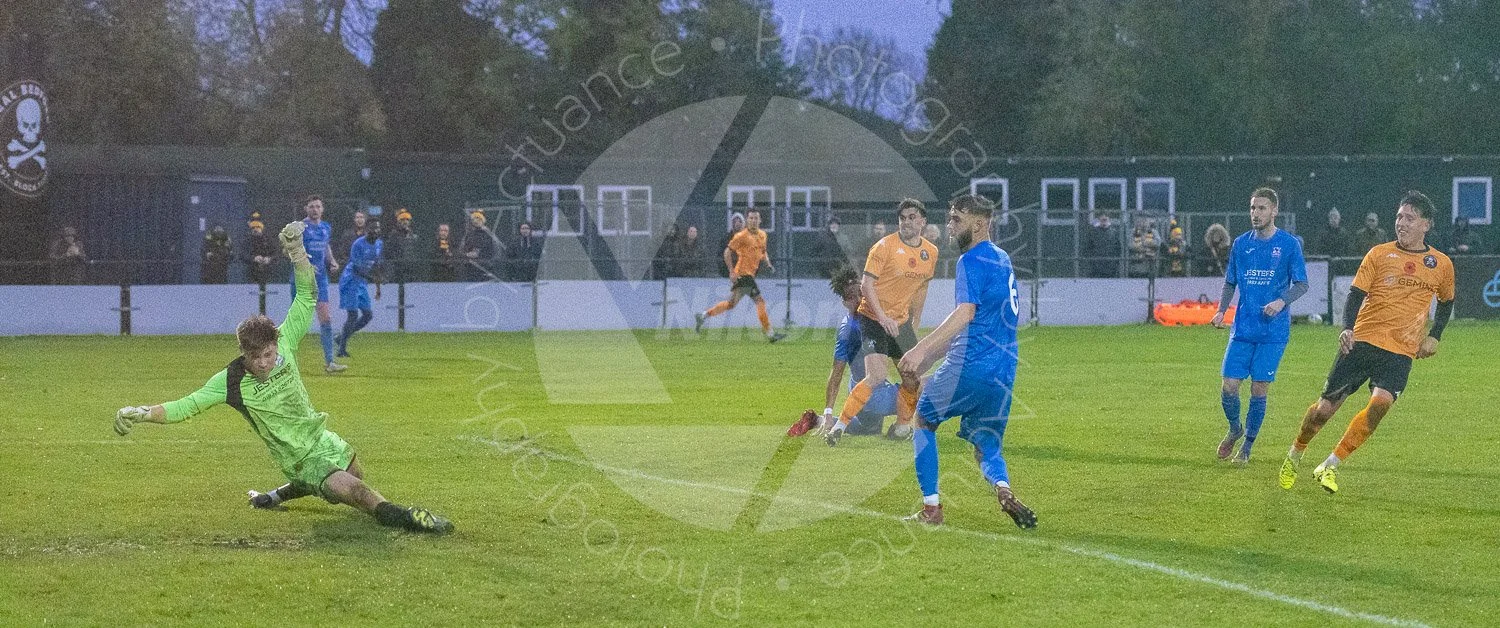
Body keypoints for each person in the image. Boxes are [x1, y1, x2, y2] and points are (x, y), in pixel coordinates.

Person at [110, 220, 452, 534]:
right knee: (359, 493)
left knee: (355, 476)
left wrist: (297, 253)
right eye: (255, 358)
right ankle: (410, 519)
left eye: (269, 355)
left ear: (276, 344)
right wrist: (140, 412)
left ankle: (272, 497)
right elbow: (186, 406)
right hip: (299, 458)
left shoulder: (286, 339)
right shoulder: (230, 381)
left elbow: (307, 294)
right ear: (243, 353)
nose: (263, 363)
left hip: (321, 436)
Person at [1278, 191, 1455, 494]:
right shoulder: (1378, 253)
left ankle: (1329, 466)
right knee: (1323, 411)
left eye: (1409, 218)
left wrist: (1434, 336)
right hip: (1362, 342)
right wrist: (1347, 329)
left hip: (1401, 350)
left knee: (1380, 405)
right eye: (1399, 216)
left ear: (1426, 224)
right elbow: (1356, 295)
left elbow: (1447, 301)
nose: (1401, 222)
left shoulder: (1440, 264)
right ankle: (1296, 453)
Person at [897, 194, 1035, 529]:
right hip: (1004, 369)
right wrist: (931, 354)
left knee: (923, 420)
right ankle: (1003, 488)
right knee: (986, 446)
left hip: (971, 364)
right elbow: (982, 321)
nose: (949, 225)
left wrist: (918, 351)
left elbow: (965, 314)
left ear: (978, 222)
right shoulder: (1002, 259)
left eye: (956, 219)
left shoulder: (970, 260)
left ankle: (932, 510)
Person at [825, 198, 938, 446]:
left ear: (922, 221)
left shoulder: (930, 252)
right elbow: (866, 285)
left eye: (912, 217)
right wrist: (883, 316)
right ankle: (838, 428)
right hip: (873, 318)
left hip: (900, 322)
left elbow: (921, 290)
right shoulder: (884, 247)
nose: (906, 222)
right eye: (902, 218)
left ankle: (901, 427)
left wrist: (913, 323)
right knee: (875, 376)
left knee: (912, 378)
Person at [1209, 188, 1309, 465]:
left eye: (1262, 208)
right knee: (1229, 386)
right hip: (1242, 329)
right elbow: (1231, 281)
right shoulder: (1241, 244)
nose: (1255, 214)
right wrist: (1221, 310)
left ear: (1274, 211)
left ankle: (1247, 447)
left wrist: (1281, 301)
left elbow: (1302, 283)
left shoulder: (1288, 245)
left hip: (1273, 333)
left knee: (1258, 389)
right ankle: (1234, 429)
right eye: (1253, 208)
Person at [788, 265, 900, 437]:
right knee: (921, 388)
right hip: (873, 394)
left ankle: (816, 420)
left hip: (857, 390)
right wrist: (828, 409)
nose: (858, 300)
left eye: (860, 294)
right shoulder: (850, 329)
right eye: (851, 297)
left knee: (869, 430)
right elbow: (837, 371)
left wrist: (825, 415)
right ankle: (905, 428)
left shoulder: (871, 317)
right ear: (844, 302)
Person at [694, 209, 786, 342]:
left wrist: (768, 263)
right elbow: (727, 252)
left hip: (749, 276)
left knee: (731, 304)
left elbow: (763, 251)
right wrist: (731, 271)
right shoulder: (741, 236)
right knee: (760, 301)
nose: (754, 221)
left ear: (760, 220)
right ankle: (770, 334)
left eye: (756, 218)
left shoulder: (763, 235)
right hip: (743, 274)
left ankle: (703, 315)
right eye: (751, 218)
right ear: (747, 221)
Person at [291, 196, 346, 374]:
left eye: (318, 206)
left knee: (326, 318)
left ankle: (330, 362)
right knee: (298, 323)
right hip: (302, 280)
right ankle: (285, 361)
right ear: (306, 209)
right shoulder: (300, 228)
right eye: (312, 206)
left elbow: (325, 246)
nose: (315, 209)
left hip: (320, 279)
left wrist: (332, 261)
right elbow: (290, 250)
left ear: (322, 209)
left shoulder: (325, 227)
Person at [335, 220, 382, 358]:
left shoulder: (379, 244)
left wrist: (378, 287)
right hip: (350, 280)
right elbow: (355, 267)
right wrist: (371, 279)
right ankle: (341, 350)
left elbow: (376, 265)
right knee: (353, 315)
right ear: (367, 230)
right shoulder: (358, 244)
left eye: (378, 228)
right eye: (373, 228)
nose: (376, 231)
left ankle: (341, 337)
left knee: (368, 315)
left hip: (361, 282)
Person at [382, 208, 419, 283]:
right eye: (402, 220)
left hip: (411, 271)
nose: (405, 222)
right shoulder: (393, 236)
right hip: (397, 271)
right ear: (398, 222)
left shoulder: (414, 237)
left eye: (407, 220)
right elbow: (389, 254)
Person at [459, 211, 497, 282]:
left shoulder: (489, 235)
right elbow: (461, 250)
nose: (476, 221)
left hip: (485, 268)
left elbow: (495, 252)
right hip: (470, 269)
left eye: (478, 218)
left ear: (483, 221)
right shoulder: (468, 235)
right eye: (474, 219)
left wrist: (480, 255)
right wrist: (467, 254)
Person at [244, 214, 279, 286]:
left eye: (257, 227)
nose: (255, 229)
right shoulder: (247, 240)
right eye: (253, 228)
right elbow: (242, 255)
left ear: (261, 228)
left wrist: (269, 259)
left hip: (269, 272)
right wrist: (254, 258)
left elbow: (276, 253)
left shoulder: (269, 239)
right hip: (251, 272)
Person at [1084, 212, 1121, 278]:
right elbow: (1089, 247)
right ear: (1099, 219)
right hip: (1096, 267)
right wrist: (1092, 262)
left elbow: (1118, 248)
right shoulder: (1093, 232)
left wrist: (1115, 263)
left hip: (1111, 267)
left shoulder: (1114, 232)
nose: (1104, 218)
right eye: (1102, 217)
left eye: (1106, 217)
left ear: (1109, 219)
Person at [717, 212, 745, 278]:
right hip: (727, 274)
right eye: (735, 221)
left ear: (743, 224)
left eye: (740, 221)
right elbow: (720, 256)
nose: (737, 223)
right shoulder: (725, 239)